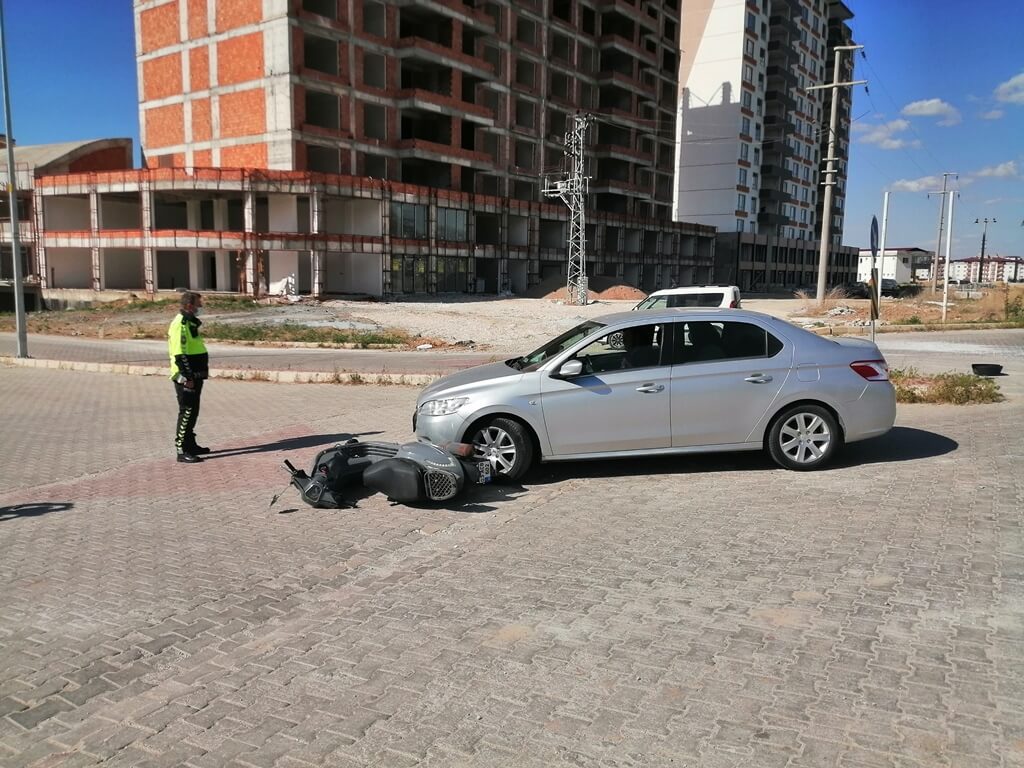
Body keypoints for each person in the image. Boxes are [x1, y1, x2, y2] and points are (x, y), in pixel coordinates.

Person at [168, 291, 211, 462]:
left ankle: (190, 443)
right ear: (189, 305)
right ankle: (181, 448)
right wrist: (188, 378)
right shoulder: (181, 323)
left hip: (196, 374)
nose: (201, 307)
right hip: (186, 377)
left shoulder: (190, 323)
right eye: (198, 304)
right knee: (186, 411)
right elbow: (179, 354)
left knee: (193, 411)